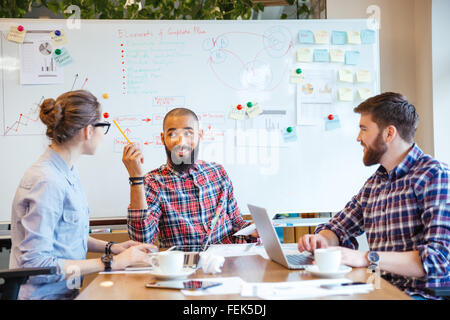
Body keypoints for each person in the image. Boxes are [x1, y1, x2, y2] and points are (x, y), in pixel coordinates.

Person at [297, 92, 449, 300]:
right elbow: (338, 227)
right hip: (375, 288)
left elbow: (439, 260)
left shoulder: (434, 176)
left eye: (363, 129)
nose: (358, 138)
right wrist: (321, 241)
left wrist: (368, 258)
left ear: (389, 133)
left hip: (417, 295)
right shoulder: (375, 183)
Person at [9, 90, 156, 300]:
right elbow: (36, 265)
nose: (102, 135)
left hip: (66, 293)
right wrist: (111, 263)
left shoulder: (67, 170)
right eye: (102, 127)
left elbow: (66, 236)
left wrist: (112, 247)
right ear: (88, 130)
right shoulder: (47, 180)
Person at [122, 107, 257, 249]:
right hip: (183, 266)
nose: (181, 141)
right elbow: (142, 239)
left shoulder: (218, 172)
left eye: (188, 133)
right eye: (172, 133)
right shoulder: (153, 182)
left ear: (200, 135)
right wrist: (136, 178)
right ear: (163, 138)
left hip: (228, 262)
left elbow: (236, 222)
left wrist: (252, 229)